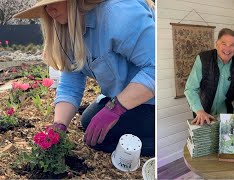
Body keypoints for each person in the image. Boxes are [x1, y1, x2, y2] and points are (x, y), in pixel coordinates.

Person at [14, 0, 155, 156]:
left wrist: (115, 108)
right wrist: (58, 127)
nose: (49, 9)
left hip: (151, 97)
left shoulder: (118, 16)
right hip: (120, 95)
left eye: (55, 1)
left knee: (104, 135)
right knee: (90, 123)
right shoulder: (68, 30)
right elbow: (71, 83)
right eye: (45, 5)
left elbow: (156, 67)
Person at [184, 28, 234, 125]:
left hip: (226, 114)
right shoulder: (203, 59)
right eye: (224, 44)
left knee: (227, 140)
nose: (228, 49)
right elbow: (190, 89)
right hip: (203, 113)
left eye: (232, 45)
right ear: (217, 44)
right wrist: (199, 111)